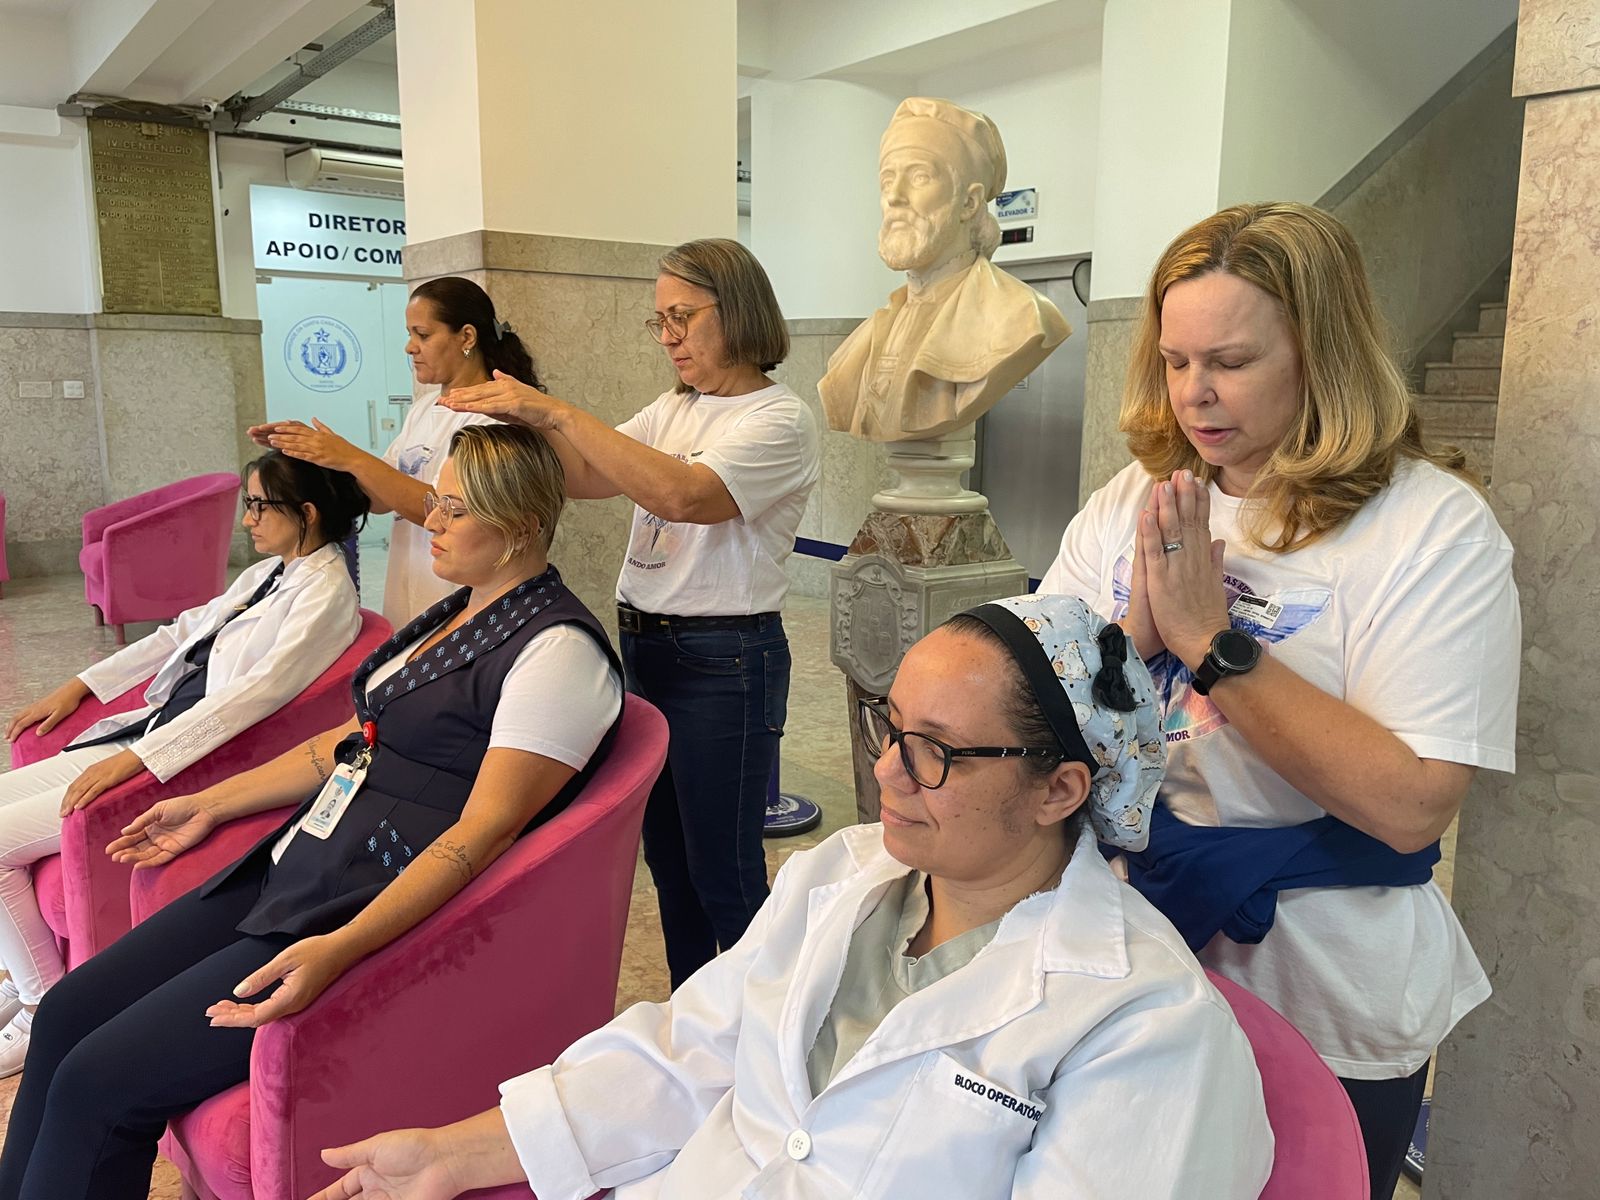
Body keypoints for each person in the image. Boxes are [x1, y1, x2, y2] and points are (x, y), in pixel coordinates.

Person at [307, 594, 1274, 1200]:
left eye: (934, 751)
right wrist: (456, 1154)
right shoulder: (841, 875)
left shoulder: (1144, 1022)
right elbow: (692, 1049)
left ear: (1060, 789)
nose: (887, 772)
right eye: (890, 726)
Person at [0, 425, 624, 1200]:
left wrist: (338, 949)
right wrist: (208, 803)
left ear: (522, 527)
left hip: (353, 906)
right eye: (436, 501)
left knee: (97, 1083)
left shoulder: (558, 653)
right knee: (65, 1013)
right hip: (299, 865)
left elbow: (481, 834)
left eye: (455, 510)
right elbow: (350, 745)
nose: (429, 520)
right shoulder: (460, 614)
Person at [1039, 201, 1520, 1198]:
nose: (1194, 394)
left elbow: (1411, 802)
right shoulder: (1135, 497)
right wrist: (1132, 641)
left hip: (1322, 983)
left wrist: (1211, 646)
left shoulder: (1429, 528)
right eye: (1175, 360)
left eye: (1231, 361)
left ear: (1321, 355)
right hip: (1134, 947)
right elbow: (1043, 713)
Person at [445, 238, 820, 987]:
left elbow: (683, 495)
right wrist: (520, 422)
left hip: (723, 660)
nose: (669, 336)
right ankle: (691, 1014)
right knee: (670, 864)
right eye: (660, 321)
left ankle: (770, 1021)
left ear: (738, 311)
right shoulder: (675, 408)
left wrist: (554, 409)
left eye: (683, 316)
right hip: (647, 648)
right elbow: (590, 473)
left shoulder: (779, 418)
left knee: (724, 871)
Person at [0, 453, 368, 1077]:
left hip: (181, 762)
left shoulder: (327, 596)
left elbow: (251, 700)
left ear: (306, 513)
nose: (247, 520)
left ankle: (41, 1006)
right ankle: (21, 971)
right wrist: (80, 686)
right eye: (249, 504)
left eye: (260, 506)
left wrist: (137, 761)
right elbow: (180, 633)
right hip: (147, 734)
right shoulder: (271, 572)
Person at [249, 276, 542, 627]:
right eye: (409, 334)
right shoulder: (424, 408)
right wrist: (313, 455)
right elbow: (380, 499)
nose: (410, 347)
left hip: (459, 596)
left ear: (467, 337)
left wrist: (350, 456)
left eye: (423, 335)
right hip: (411, 585)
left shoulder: (495, 415)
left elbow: (445, 511)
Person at [817, 96, 1070, 442]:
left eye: (919, 176)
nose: (894, 197)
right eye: (887, 180)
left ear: (969, 202)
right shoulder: (877, 328)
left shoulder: (1021, 316)